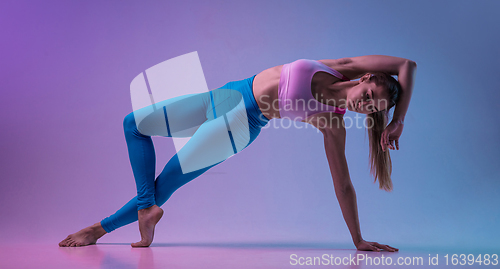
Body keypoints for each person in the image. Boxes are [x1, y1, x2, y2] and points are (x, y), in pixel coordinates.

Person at [59, 54, 416, 251]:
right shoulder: (340, 67)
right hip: (228, 93)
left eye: (372, 110)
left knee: (165, 181)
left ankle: (98, 229)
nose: (364, 105)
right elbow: (406, 66)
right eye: (368, 96)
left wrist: (357, 238)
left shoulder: (332, 123)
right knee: (132, 124)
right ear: (366, 78)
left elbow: (344, 185)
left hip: (239, 125)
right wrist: (397, 121)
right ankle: (146, 210)